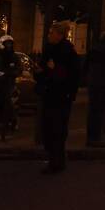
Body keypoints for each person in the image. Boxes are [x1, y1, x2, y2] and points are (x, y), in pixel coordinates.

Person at [35, 21, 81, 175]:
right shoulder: (49, 49)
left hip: (60, 96)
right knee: (49, 128)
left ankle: (56, 161)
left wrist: (54, 71)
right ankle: (55, 159)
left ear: (60, 35)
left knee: (57, 129)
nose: (49, 35)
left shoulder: (67, 51)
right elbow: (42, 70)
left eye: (52, 33)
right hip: (49, 93)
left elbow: (72, 76)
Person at [0, 34, 21, 139]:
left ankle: (13, 120)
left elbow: (19, 68)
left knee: (8, 101)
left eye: (10, 44)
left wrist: (13, 73)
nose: (9, 46)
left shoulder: (14, 57)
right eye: (7, 43)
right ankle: (2, 118)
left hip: (9, 83)